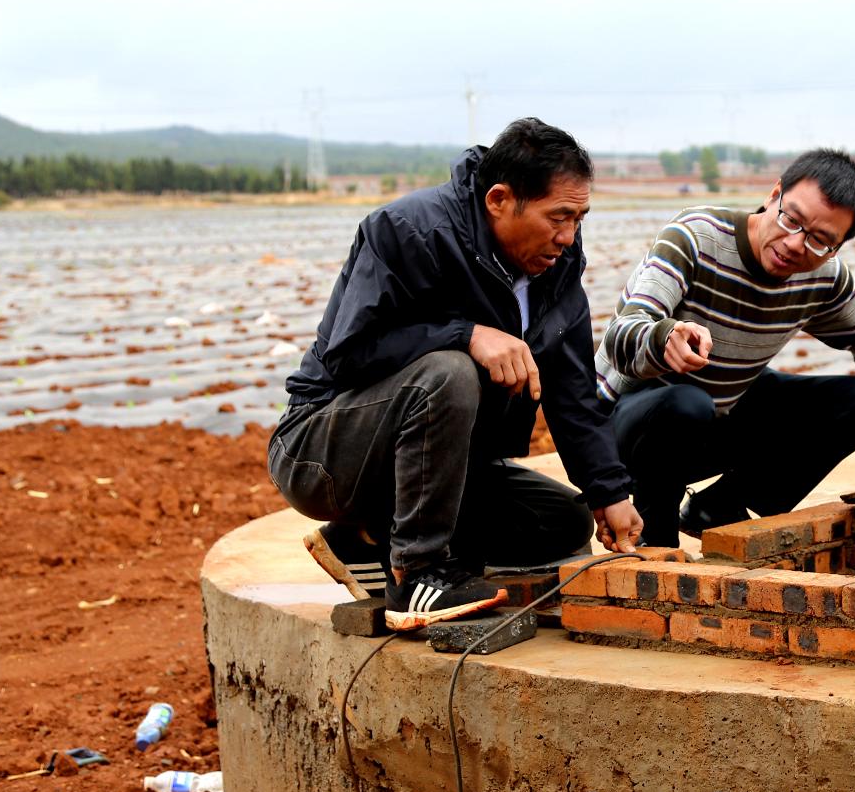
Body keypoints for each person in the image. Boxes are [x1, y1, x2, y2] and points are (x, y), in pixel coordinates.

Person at [269, 118, 641, 630]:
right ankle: (418, 571)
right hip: (323, 454)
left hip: (440, 468)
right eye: (558, 216)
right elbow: (347, 353)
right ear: (499, 200)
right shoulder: (409, 232)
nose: (568, 236)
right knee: (449, 372)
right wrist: (466, 334)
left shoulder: (556, 273)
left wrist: (610, 493)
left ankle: (363, 538)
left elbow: (573, 395)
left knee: (559, 523)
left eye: (579, 217)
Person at [596, 148, 855, 547]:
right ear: (774, 195)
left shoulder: (823, 277)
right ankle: (656, 537)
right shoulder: (696, 236)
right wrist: (663, 336)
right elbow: (622, 334)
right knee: (686, 403)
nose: (794, 244)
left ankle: (721, 506)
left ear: (837, 248)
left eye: (819, 240)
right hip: (624, 427)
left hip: (713, 418)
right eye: (791, 219)